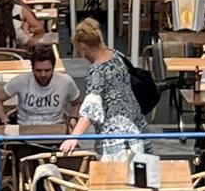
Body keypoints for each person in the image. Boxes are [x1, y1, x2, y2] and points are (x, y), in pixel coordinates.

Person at [61, 19, 150, 158]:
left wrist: (74, 137)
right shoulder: (116, 55)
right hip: (138, 126)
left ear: (83, 46)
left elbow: (91, 108)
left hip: (116, 137)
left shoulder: (97, 71)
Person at [0, 44, 81, 126]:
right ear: (32, 68)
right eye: (38, 70)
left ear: (54, 67)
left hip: (56, 129)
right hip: (25, 130)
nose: (43, 75)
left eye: (47, 70)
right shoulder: (20, 80)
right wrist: (4, 120)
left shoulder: (66, 81)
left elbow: (77, 103)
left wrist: (73, 118)